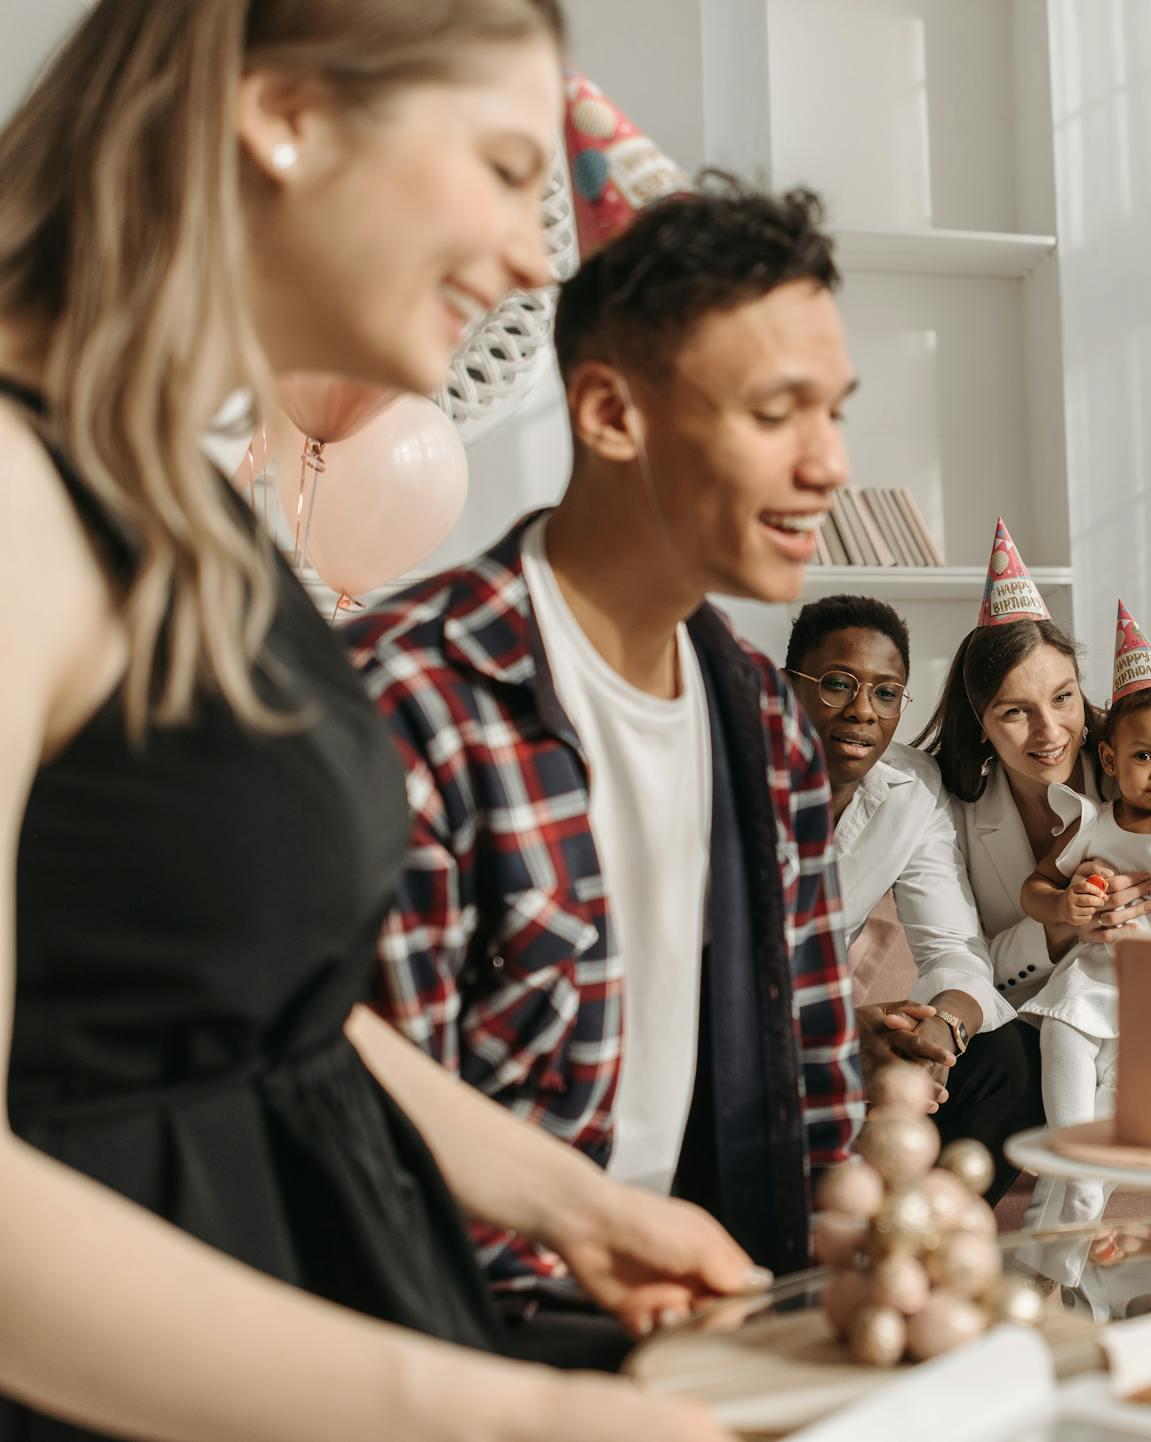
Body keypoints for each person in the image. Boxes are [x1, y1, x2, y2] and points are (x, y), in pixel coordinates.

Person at [0, 2, 742, 1438]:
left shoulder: (176, 493)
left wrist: (569, 1199)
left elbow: (258, 1013)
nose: (539, 257)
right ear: (284, 114)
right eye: (500, 164)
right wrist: (507, 1417)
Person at [344, 136, 862, 1345]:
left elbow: (814, 1077)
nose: (829, 461)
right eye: (776, 411)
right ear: (612, 412)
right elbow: (369, 1142)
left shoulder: (766, 719)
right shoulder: (416, 697)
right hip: (480, 1348)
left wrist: (866, 1247)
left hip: (728, 1311)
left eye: (835, 411)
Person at [916, 523, 1151, 1187]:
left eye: (1063, 699)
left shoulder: (1147, 763)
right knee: (1018, 1063)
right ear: (981, 721)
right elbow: (969, 958)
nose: (1049, 732)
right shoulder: (957, 812)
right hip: (1049, 1017)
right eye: (1014, 713)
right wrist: (1059, 925)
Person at [782, 594, 1039, 1201]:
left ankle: (925, 1249)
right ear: (785, 687)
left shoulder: (913, 789)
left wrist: (941, 1031)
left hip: (837, 1037)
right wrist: (840, 1035)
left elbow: (952, 945)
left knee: (1009, 1059)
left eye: (886, 692)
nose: (862, 712)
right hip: (738, 1038)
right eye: (837, 684)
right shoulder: (732, 778)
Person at [1019, 604, 1151, 1224]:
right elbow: (1031, 889)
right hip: (1096, 972)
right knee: (1063, 1038)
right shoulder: (1090, 823)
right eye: (1145, 757)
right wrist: (1064, 902)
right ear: (1111, 761)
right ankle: (1078, 1159)